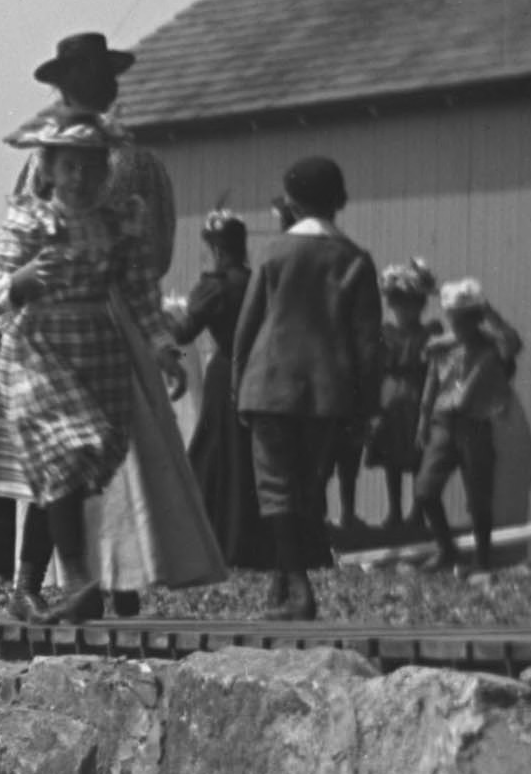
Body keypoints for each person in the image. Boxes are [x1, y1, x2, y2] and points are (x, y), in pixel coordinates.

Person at [0, 114, 160, 627]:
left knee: (71, 473)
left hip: (98, 350)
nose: (78, 177)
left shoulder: (117, 223)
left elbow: (140, 291)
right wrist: (20, 281)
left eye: (89, 166)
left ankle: (29, 587)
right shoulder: (29, 222)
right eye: (68, 166)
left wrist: (160, 345)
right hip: (39, 351)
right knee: (68, 453)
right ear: (49, 169)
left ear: (104, 171)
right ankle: (77, 582)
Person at [227, 153, 381, 621]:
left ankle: (296, 590)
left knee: (275, 488)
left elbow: (247, 327)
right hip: (327, 394)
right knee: (310, 488)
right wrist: (366, 407)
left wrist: (239, 384)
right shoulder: (355, 259)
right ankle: (285, 583)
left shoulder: (274, 253)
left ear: (290, 203)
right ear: (341, 202)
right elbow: (369, 343)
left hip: (269, 387)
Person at [166, 211, 267, 571]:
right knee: (246, 459)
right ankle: (251, 543)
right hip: (258, 374)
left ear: (216, 248)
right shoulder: (256, 281)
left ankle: (213, 541)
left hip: (225, 372)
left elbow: (184, 332)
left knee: (212, 456)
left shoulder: (216, 285)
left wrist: (159, 315)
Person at [412, 277, 526, 576]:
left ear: (474, 319)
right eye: (453, 318)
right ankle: (446, 549)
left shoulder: (491, 346)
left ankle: (483, 559)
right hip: (444, 425)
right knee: (425, 490)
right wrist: (423, 423)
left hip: (476, 425)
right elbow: (432, 384)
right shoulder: (442, 348)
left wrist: (488, 312)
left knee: (478, 496)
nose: (457, 324)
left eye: (463, 318)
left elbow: (512, 342)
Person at [367, 261, 439, 541]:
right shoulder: (386, 333)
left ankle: (417, 512)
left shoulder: (429, 333)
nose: (404, 311)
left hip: (418, 393)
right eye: (398, 304)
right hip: (390, 394)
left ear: (420, 305)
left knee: (419, 455)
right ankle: (394, 510)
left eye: (411, 304)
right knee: (391, 456)